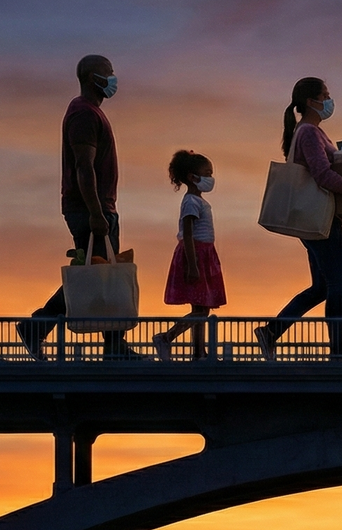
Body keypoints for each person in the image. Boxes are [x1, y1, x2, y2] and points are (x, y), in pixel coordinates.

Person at [20, 55, 140, 361]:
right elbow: (83, 166)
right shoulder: (83, 114)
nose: (113, 78)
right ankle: (111, 345)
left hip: (99, 207)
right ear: (91, 78)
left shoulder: (91, 112)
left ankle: (41, 328)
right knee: (99, 274)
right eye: (108, 73)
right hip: (91, 210)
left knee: (98, 273)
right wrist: (96, 212)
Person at [259, 77, 342, 360]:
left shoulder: (313, 132)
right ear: (310, 102)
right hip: (321, 220)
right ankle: (338, 351)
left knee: (322, 287)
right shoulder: (309, 133)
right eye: (325, 95)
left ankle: (271, 332)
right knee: (339, 285)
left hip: (320, 218)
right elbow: (323, 175)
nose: (329, 100)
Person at [154, 150, 226, 362]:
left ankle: (199, 352)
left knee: (202, 307)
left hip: (205, 253)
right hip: (195, 254)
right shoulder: (191, 202)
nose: (211, 178)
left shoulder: (199, 201)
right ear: (192, 177)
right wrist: (193, 265)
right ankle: (166, 337)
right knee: (201, 311)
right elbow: (187, 232)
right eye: (207, 172)